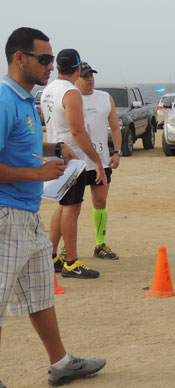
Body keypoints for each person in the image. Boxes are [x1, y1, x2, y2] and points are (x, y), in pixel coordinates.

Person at [0, 26, 105, 388]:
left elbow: (18, 143)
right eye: (44, 59)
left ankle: (60, 363)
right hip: (5, 214)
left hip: (24, 214)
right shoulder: (4, 100)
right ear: (19, 58)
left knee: (41, 295)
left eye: (52, 59)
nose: (52, 66)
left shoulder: (25, 100)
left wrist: (51, 147)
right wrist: (39, 173)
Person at [42, 48, 107, 279]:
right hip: (72, 158)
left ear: (58, 66)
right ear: (78, 68)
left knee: (64, 206)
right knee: (72, 208)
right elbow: (77, 130)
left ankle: (51, 254)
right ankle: (71, 261)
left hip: (55, 153)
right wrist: (97, 161)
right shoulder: (70, 92)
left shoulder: (48, 90)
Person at [48, 62, 122, 265]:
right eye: (86, 76)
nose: (90, 79)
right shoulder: (69, 96)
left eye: (92, 76)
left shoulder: (105, 98)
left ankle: (100, 244)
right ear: (77, 76)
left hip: (101, 160)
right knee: (68, 207)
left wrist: (117, 152)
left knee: (100, 202)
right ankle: (63, 250)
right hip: (76, 162)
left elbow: (115, 126)